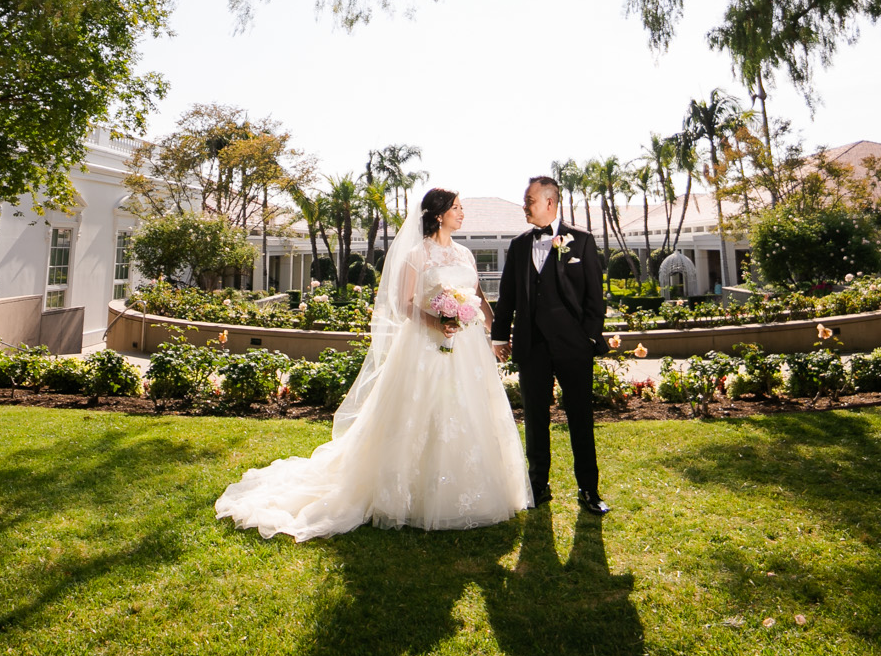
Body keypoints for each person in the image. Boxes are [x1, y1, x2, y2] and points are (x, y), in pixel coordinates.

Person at [215, 187, 533, 540]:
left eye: (462, 207)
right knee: (425, 411)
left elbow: (478, 298)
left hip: (468, 349)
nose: (462, 214)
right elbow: (403, 302)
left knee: (472, 410)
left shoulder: (464, 254)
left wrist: (496, 334)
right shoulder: (417, 255)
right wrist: (436, 320)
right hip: (426, 347)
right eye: (457, 208)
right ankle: (413, 494)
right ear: (438, 214)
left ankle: (476, 488)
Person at [492, 175, 611, 515]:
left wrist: (588, 338)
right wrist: (499, 336)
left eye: (529, 200)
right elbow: (508, 296)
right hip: (532, 346)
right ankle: (537, 486)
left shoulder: (583, 241)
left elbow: (594, 298)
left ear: (549, 202)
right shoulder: (518, 245)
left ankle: (589, 489)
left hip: (574, 347)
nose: (524, 206)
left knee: (580, 418)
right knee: (534, 418)